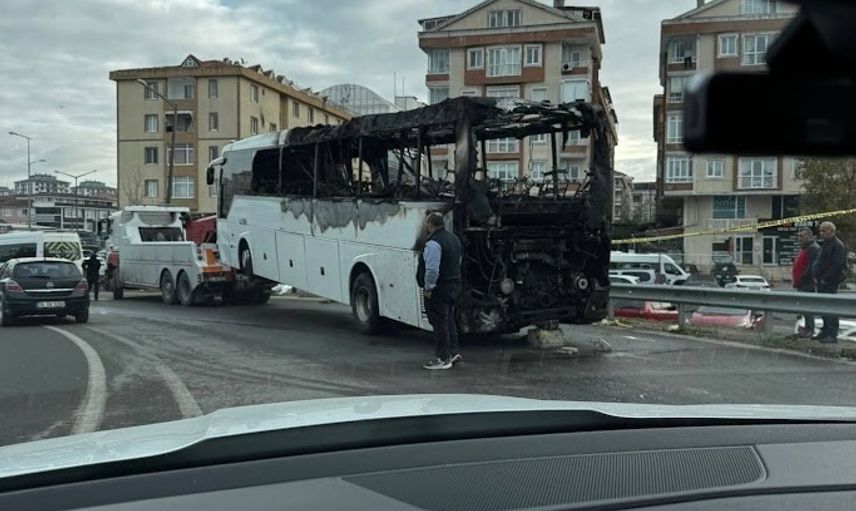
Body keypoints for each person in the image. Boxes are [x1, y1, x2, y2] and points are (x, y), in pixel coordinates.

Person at [417, 212, 463, 370]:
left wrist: (428, 288)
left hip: (439, 288)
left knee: (438, 322)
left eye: (426, 223)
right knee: (448, 319)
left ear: (430, 224)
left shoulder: (433, 243)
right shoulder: (454, 239)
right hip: (454, 285)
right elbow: (458, 261)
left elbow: (432, 270)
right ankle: (454, 352)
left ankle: (443, 358)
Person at [812, 221, 848, 343]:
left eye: (824, 230)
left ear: (831, 231)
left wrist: (825, 279)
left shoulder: (837, 245)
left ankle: (831, 334)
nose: (821, 233)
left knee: (830, 307)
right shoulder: (826, 244)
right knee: (823, 307)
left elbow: (838, 265)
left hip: (829, 282)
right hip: (821, 281)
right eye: (820, 230)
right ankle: (825, 331)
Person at [792, 226, 821, 338]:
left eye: (802, 236)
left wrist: (801, 277)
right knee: (804, 308)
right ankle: (807, 329)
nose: (799, 238)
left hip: (807, 283)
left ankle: (809, 330)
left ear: (809, 236)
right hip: (803, 283)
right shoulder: (807, 248)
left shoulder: (813, 248)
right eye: (799, 236)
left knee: (807, 308)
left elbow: (811, 267)